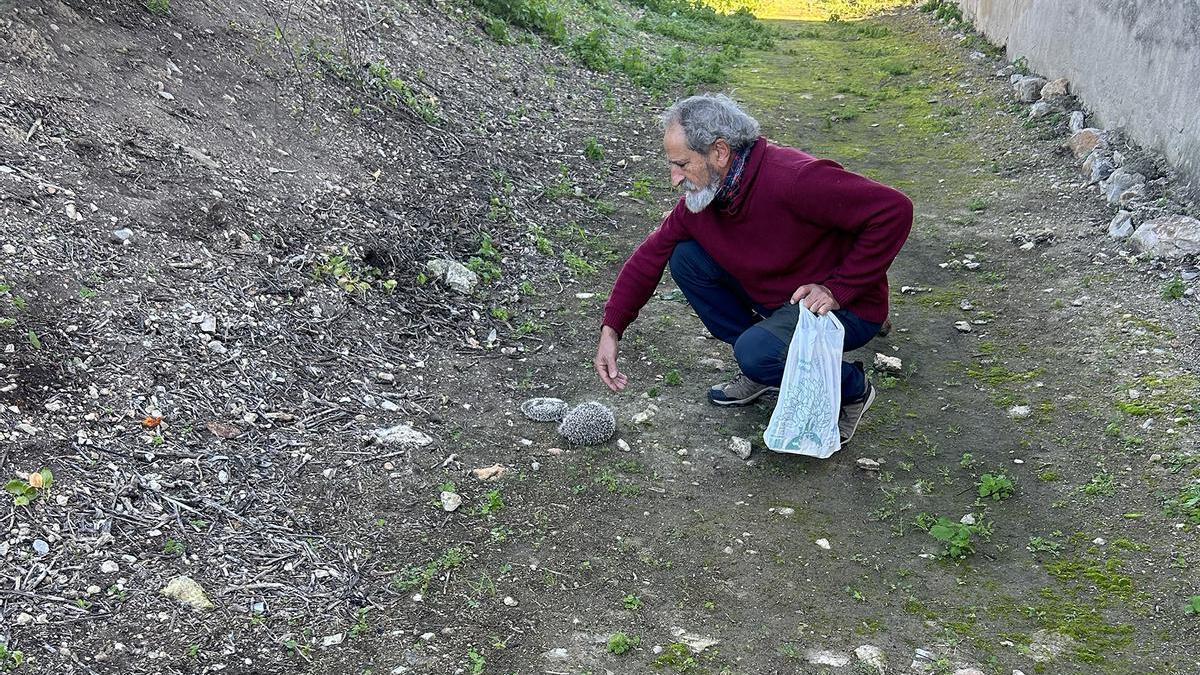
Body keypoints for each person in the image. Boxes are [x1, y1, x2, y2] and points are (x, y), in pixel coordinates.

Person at [593, 93, 912, 443]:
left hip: (846, 308)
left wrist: (839, 287)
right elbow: (647, 258)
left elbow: (893, 210)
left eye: (682, 164)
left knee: (757, 352)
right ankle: (764, 367)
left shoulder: (793, 179)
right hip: (783, 303)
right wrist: (612, 329)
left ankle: (852, 390)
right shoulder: (706, 202)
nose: (674, 178)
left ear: (719, 152)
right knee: (686, 258)